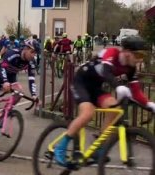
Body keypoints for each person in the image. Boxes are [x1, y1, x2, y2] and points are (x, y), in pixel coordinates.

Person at [54, 36, 155, 167]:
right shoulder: (112, 53)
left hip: (95, 87)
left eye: (143, 55)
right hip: (81, 82)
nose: (140, 59)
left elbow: (136, 92)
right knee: (87, 113)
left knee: (115, 109)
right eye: (138, 55)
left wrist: (149, 104)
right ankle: (60, 148)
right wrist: (118, 86)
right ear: (126, 52)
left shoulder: (131, 68)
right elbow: (105, 71)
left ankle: (98, 147)